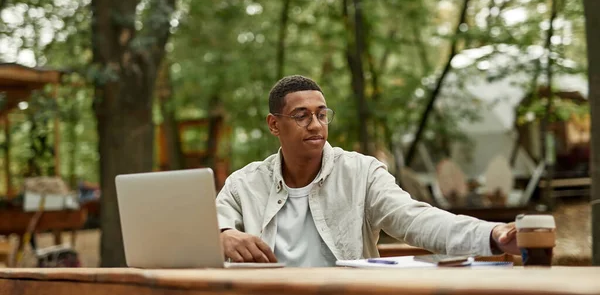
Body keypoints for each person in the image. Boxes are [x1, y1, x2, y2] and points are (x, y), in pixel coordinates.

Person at [216, 75, 518, 267]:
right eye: (301, 115)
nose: (316, 125)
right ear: (274, 124)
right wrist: (223, 235)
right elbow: (205, 230)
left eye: (322, 115)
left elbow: (416, 219)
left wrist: (492, 234)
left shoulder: (362, 172)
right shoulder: (244, 183)